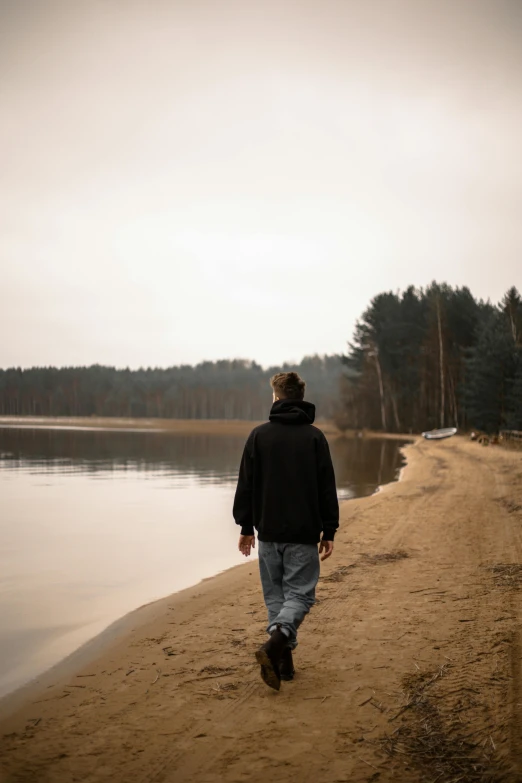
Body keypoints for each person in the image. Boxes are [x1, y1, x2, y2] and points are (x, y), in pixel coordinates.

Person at [233, 371, 339, 691]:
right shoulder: (314, 437)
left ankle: (284, 664)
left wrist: (246, 526)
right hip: (302, 535)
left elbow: (246, 486)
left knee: (277, 599)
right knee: (300, 598)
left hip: (268, 534)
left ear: (277, 397)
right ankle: (274, 648)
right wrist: (329, 530)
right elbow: (326, 488)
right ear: (299, 397)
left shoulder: (258, 436)